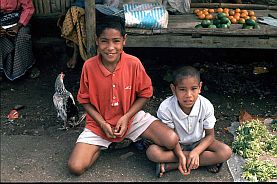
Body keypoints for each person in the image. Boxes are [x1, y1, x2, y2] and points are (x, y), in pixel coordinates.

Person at [67, 15, 180, 176]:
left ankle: (141, 142)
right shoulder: (89, 66)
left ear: (124, 40)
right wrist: (103, 123)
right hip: (99, 124)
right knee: (75, 167)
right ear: (96, 40)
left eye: (116, 41)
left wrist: (126, 117)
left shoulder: (133, 63)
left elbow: (145, 94)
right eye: (104, 41)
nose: (110, 47)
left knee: (172, 140)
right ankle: (104, 145)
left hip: (131, 119)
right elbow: (84, 101)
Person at [146, 66, 232, 177]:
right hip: (176, 146)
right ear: (173, 89)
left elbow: (210, 136)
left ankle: (170, 166)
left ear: (200, 87)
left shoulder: (206, 105)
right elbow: (169, 137)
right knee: (152, 152)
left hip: (199, 143)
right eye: (182, 89)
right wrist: (181, 155)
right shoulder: (166, 107)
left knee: (226, 152)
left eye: (194, 88)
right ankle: (202, 161)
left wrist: (196, 152)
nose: (188, 95)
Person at [0, 0, 36, 81]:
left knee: (23, 36)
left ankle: (27, 68)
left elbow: (28, 8)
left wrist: (19, 25)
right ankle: (2, 71)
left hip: (19, 20)